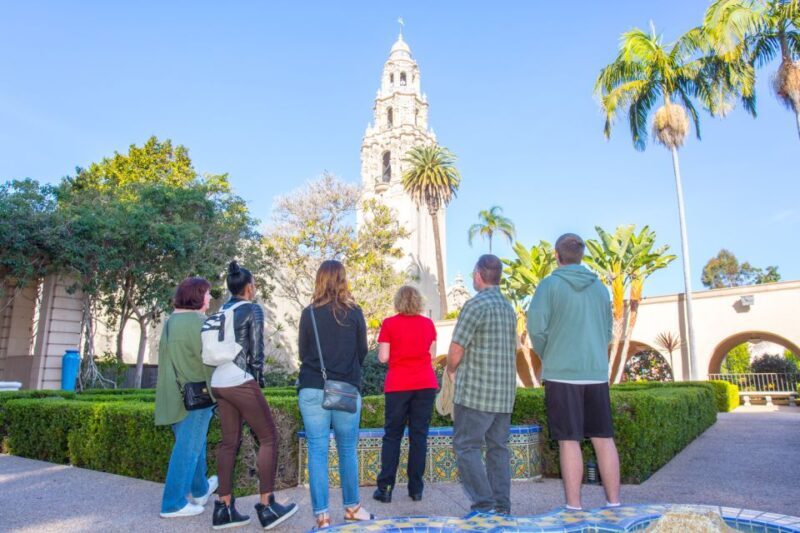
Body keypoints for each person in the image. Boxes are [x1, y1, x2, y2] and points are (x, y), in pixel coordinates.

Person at [527, 233, 621, 510]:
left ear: (557, 256)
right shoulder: (600, 288)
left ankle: (574, 506)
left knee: (569, 440)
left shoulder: (549, 286)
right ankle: (614, 503)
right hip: (596, 372)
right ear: (581, 256)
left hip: (561, 374)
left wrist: (551, 354)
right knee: (604, 438)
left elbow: (536, 329)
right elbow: (607, 331)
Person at [210, 261, 298, 530]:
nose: (255, 288)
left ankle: (224, 508)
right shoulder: (253, 309)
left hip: (218, 380)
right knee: (269, 437)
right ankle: (268, 505)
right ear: (248, 288)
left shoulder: (221, 311)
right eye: (255, 284)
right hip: (240, 379)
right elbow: (256, 352)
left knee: (228, 442)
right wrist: (257, 381)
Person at [298, 260, 374, 530]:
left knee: (317, 451)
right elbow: (362, 352)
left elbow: (303, 353)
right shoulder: (354, 313)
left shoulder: (308, 313)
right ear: (343, 280)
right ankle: (352, 508)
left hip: (312, 387)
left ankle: (322, 517)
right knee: (347, 450)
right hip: (345, 389)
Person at [446, 254, 517, 515]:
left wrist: (451, 370)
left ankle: (483, 504)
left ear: (478, 275)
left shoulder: (475, 306)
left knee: (466, 447)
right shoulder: (508, 308)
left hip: (476, 393)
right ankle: (501, 506)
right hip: (504, 396)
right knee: (498, 449)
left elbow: (456, 349)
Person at [155, 277, 218, 518]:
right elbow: (209, 361)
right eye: (207, 293)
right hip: (197, 398)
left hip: (174, 395)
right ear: (198, 296)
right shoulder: (200, 323)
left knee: (195, 443)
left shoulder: (172, 322)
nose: (210, 298)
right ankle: (173, 503)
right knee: (188, 448)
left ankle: (201, 490)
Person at [373, 285, 438, 504]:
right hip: (425, 383)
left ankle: (386, 488)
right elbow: (433, 354)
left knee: (393, 436)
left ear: (398, 301)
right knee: (419, 436)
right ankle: (416, 489)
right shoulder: (428, 324)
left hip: (398, 385)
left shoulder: (389, 324)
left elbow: (383, 357)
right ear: (418, 302)